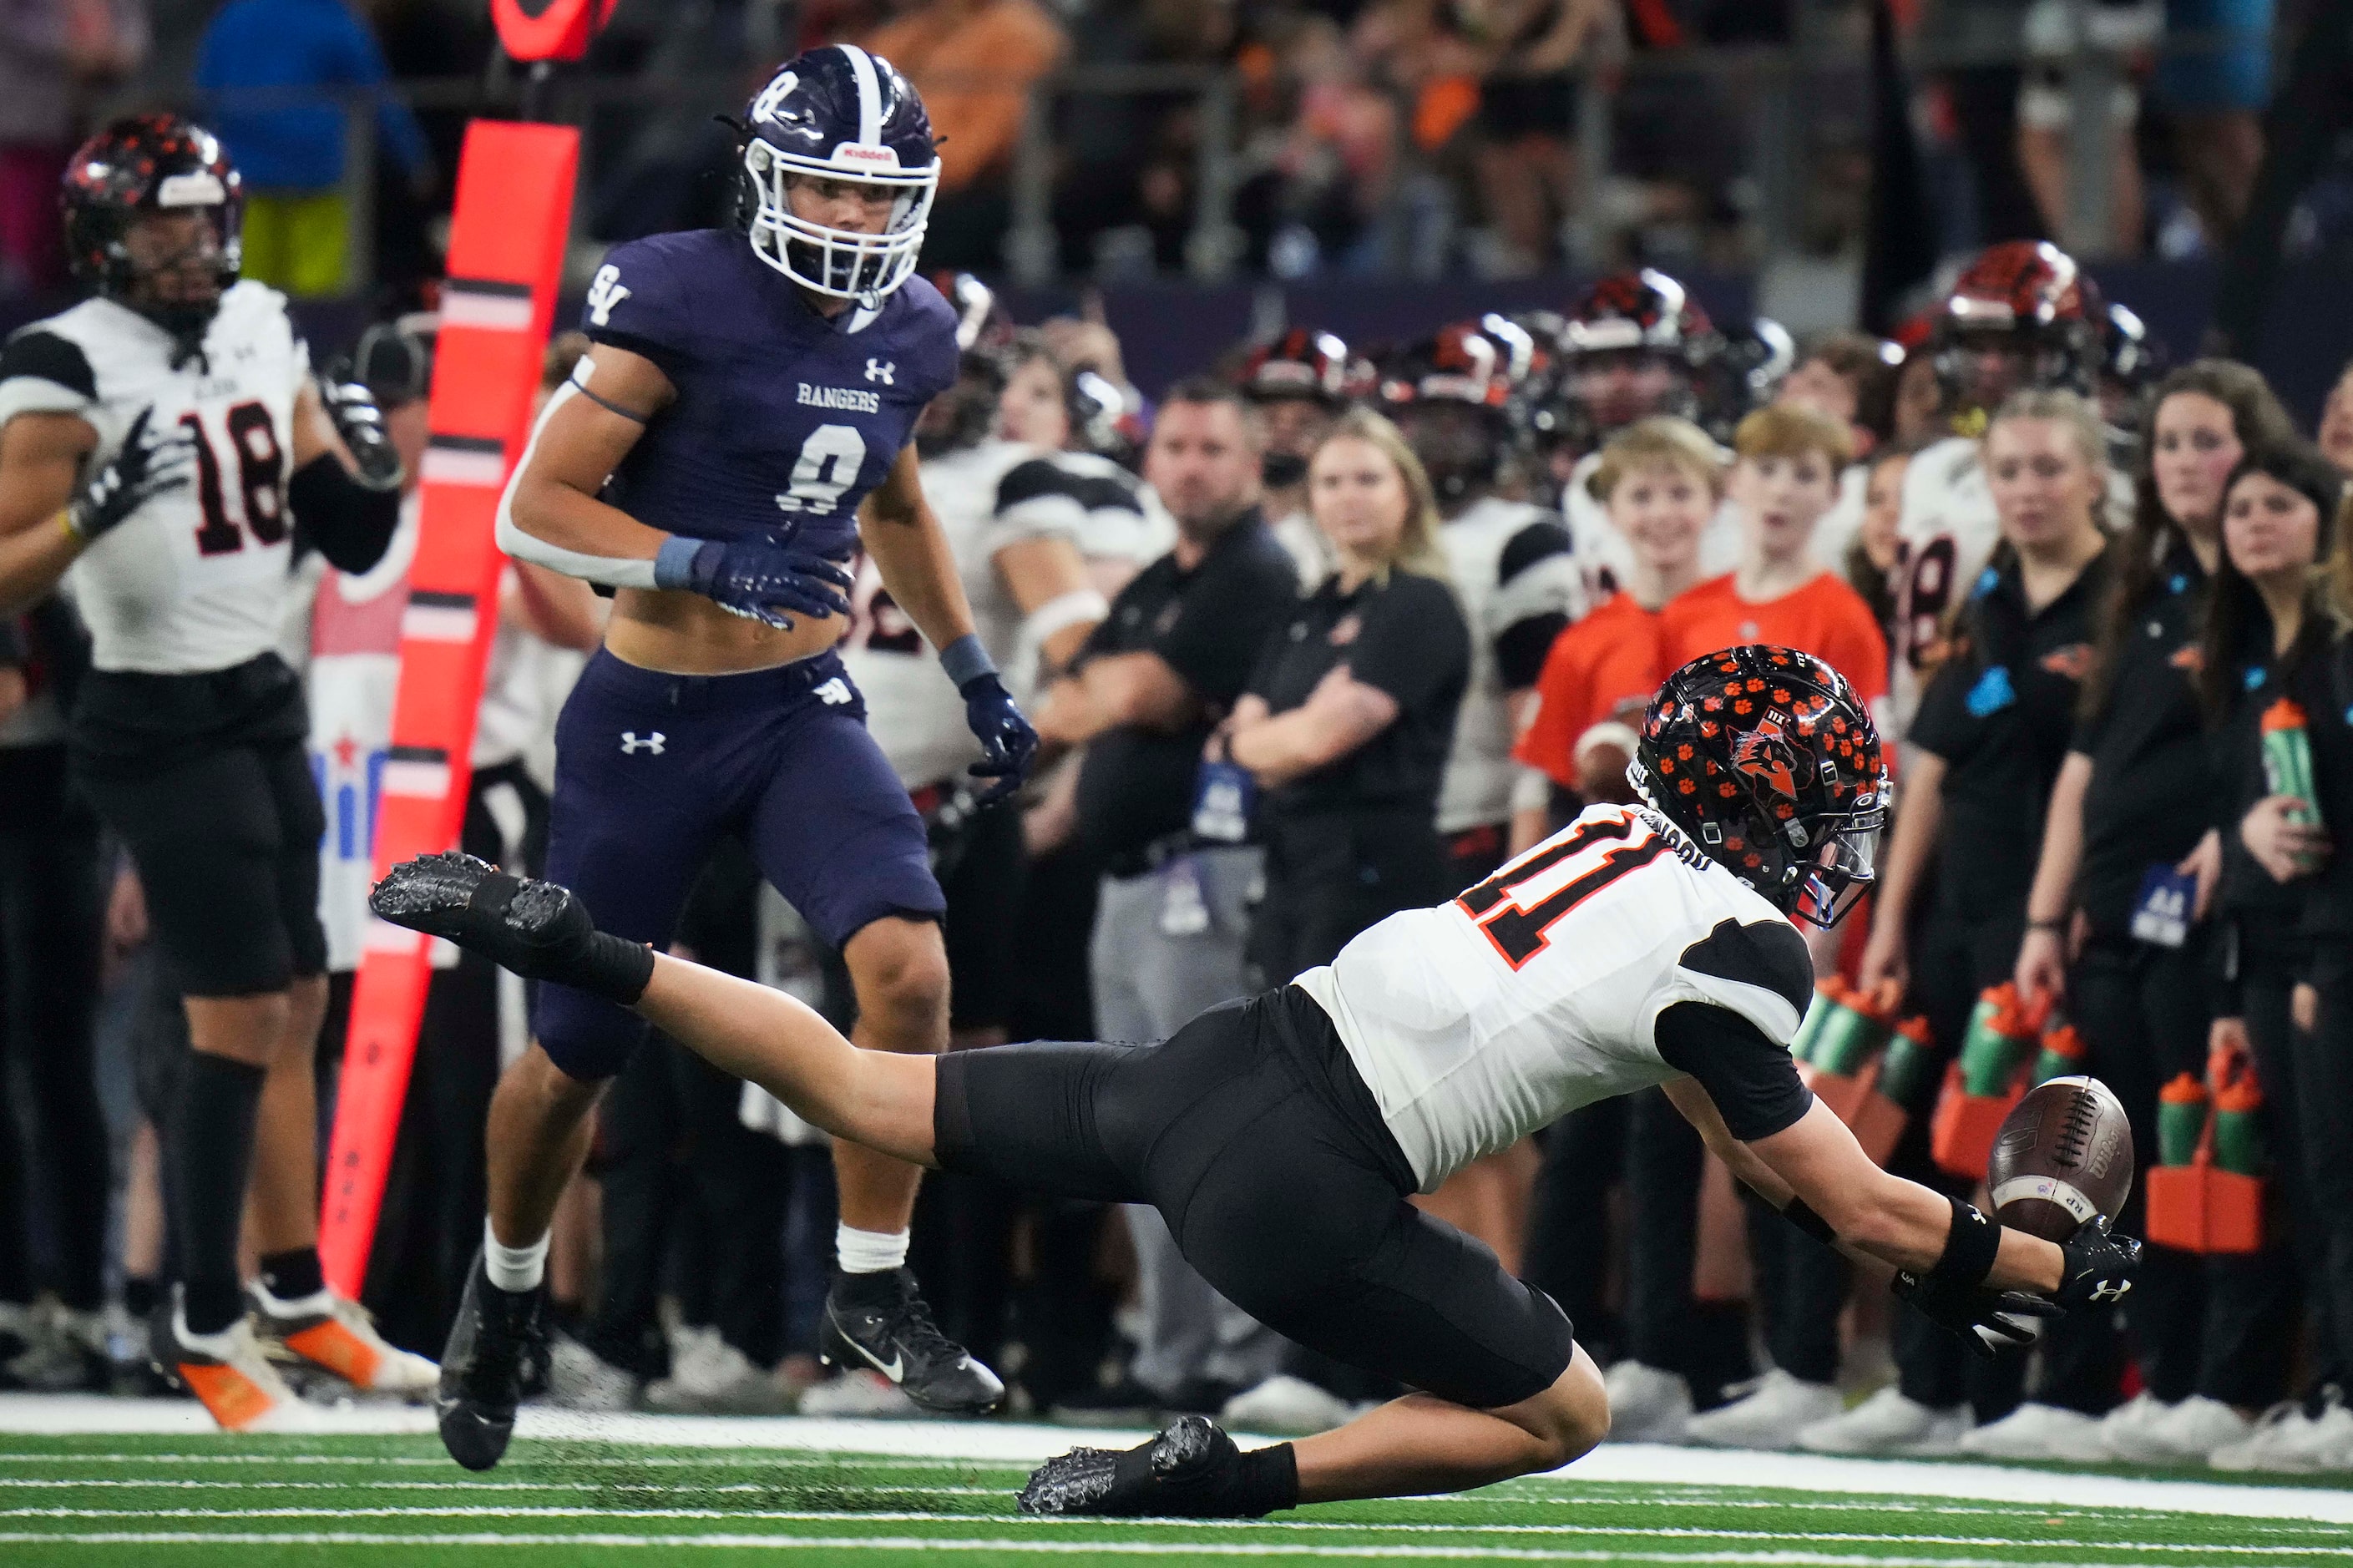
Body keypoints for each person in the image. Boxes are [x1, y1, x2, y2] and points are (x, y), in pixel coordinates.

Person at [373, 643, 2142, 1518]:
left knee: (861, 1089)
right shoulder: (1735, 952)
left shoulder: (1612, 840)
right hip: (1300, 1185)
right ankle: (1217, 1480)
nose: (1834, 841)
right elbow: (1828, 1195)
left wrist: (1956, 1253)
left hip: (1211, 1067)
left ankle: (568, 940)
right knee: (1568, 1416)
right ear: (1765, 814)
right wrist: (2019, 1266)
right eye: (1822, 811)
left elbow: (1749, 1150)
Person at [460, 48, 1038, 1469]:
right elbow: (530, 507)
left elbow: (892, 494)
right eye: (826, 188)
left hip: (794, 707)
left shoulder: (912, 327)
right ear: (765, 179)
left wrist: (968, 665)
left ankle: (866, 1278)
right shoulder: (676, 295)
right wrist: (690, 554)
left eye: (873, 193)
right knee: (575, 1051)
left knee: (908, 966)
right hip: (647, 716)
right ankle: (505, 1291)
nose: (849, 220)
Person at [0, 114, 413, 1429]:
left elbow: (342, 534)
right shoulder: (61, 365)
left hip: (254, 688)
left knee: (298, 995)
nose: (189, 247)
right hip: (147, 709)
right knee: (233, 1017)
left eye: (203, 220)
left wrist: (379, 467)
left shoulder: (259, 322)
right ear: (101, 238)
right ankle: (202, 1317)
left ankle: (295, 1295)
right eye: (159, 224)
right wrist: (87, 512)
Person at [1990, 361, 2298, 1463]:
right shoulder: (2153, 586)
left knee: (2200, 1154)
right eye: (2165, 443)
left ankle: (2219, 1380)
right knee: (2104, 1168)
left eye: (2205, 442)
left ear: (2256, 450)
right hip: (2107, 915)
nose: (2182, 464)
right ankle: (2124, 1379)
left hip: (2216, 923)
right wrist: (2045, 915)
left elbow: (2276, 751)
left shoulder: (2273, 595)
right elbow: (2084, 770)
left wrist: (2230, 834)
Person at [1829, 391, 2118, 1457]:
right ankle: (1934, 1379)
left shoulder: (2126, 599)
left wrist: (2054, 914)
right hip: (1957, 909)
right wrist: (1891, 914)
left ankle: (2057, 1391)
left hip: (2061, 923)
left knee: (2052, 1163)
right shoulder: (1988, 592)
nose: (2029, 489)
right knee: (1934, 1154)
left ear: (2093, 477)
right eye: (2010, 471)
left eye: (2049, 468)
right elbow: (1932, 768)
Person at [1026, 378, 1298, 1424]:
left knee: (1215, 1124)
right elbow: (1074, 696)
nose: (1190, 465)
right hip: (1128, 885)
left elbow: (1138, 696)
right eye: (1175, 446)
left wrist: (1101, 700)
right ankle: (1170, 1359)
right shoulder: (1154, 579)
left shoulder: (1255, 571)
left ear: (1247, 463)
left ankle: (1241, 1356)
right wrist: (1097, 700)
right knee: (1142, 1129)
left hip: (1209, 877)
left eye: (1211, 448)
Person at [2186, 443, 2353, 1469]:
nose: (2253, 523)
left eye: (2279, 505)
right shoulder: (2261, 653)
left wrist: (2319, 965)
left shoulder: (2335, 653)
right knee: (2301, 1173)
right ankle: (2326, 1381)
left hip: (2324, 952)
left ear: (2325, 519)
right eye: (2240, 507)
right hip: (2269, 950)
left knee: (2339, 1176)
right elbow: (2260, 815)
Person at [1227, 407, 1470, 1004]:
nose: (1348, 497)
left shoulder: (1419, 603)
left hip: (1375, 866)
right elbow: (1240, 737)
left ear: (1407, 493)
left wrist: (1279, 739)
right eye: (1331, 482)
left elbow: (1320, 740)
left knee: (1346, 1057)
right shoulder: (1308, 608)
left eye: (1368, 479)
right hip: (1291, 861)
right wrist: (1286, 734)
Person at [1379, 325, 1582, 885]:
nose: (1439, 443)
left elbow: (1537, 726)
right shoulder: (1355, 533)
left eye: (1459, 423)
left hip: (1476, 824)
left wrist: (1526, 858)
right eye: (1425, 421)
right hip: (1369, 826)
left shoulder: (1523, 540)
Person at [1886, 242, 2109, 751]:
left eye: (2013, 350)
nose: (1990, 368)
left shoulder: (2099, 484)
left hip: (2030, 736)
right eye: (1977, 347)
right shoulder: (1933, 469)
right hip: (1918, 725)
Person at [1512, 416, 1718, 852]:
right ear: (1610, 512)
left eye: (1680, 493)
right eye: (1640, 496)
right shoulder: (1582, 643)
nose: (1662, 513)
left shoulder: (1749, 630)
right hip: (1618, 876)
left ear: (1714, 502)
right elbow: (1545, 791)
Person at [192, 0, 434, 297]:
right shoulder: (331, 17)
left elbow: (206, 87)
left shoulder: (235, 16)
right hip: (315, 177)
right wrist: (413, 158)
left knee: (246, 288)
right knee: (319, 296)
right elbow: (377, 95)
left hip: (248, 176)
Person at [1234, 326, 1357, 587]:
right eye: (1270, 419)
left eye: (1305, 422)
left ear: (1338, 427)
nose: (1284, 434)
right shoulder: (1205, 516)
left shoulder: (1356, 529)